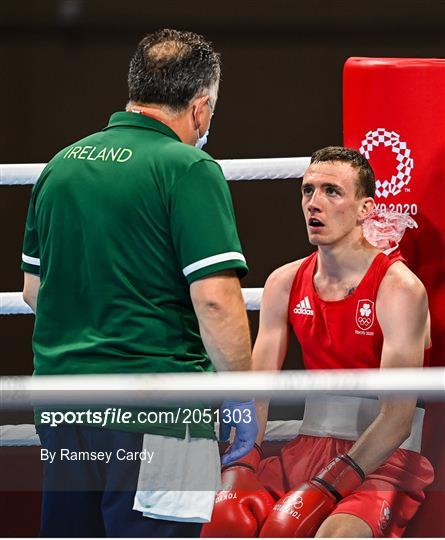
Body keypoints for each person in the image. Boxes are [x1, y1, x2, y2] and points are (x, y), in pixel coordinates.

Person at [21, 29, 257, 538]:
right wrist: (243, 394)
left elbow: (33, 292)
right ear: (200, 107)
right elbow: (216, 302)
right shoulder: (189, 167)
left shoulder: (59, 166)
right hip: (158, 413)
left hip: (64, 409)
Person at [201, 146, 434, 538]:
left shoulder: (399, 288)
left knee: (334, 536)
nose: (315, 203)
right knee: (220, 522)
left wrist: (330, 484)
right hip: (306, 447)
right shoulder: (284, 282)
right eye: (308, 191)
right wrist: (240, 463)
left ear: (365, 209)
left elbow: (396, 419)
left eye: (332, 191)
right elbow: (257, 392)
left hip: (381, 456)